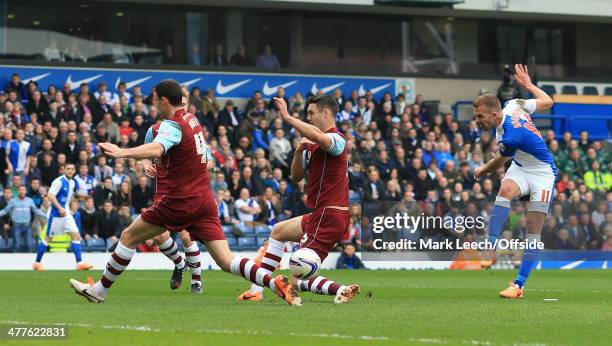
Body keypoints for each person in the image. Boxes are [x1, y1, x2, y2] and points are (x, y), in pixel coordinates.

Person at [69, 79, 297, 305]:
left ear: (164, 100)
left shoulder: (172, 124)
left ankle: (99, 291)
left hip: (180, 200)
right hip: (204, 200)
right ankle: (272, 282)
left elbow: (158, 148)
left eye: (156, 99)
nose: (154, 103)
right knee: (226, 260)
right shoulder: (193, 119)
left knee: (129, 236)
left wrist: (122, 152)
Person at [238, 94, 359, 304]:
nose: (309, 117)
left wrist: (287, 117)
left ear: (326, 113)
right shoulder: (311, 144)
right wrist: (299, 151)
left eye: (312, 113)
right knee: (278, 231)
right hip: (321, 214)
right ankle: (256, 290)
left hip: (330, 214)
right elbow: (296, 177)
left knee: (298, 272)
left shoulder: (337, 139)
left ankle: (336, 290)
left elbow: (322, 138)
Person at [473, 64, 555, 299]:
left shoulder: (511, 135)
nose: (477, 121)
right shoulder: (513, 104)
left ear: (495, 115)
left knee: (533, 227)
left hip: (543, 173)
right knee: (506, 188)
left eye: (480, 116)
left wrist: (481, 170)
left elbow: (498, 163)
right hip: (521, 166)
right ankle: (490, 249)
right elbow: (547, 102)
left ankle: (518, 285)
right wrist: (529, 87)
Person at [34, 163, 92, 271]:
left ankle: (79, 263)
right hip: (55, 214)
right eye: (68, 169)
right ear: (64, 170)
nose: (70, 171)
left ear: (75, 170)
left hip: (66, 214)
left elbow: (69, 196)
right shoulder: (58, 181)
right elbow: (50, 195)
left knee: (76, 235)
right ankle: (37, 263)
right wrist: (60, 208)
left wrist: (70, 208)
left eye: (72, 169)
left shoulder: (73, 182)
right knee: (48, 239)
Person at [0, 185, 47, 252]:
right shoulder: (13, 201)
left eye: (23, 190)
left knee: (29, 244)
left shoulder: (29, 201)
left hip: (27, 226)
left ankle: (29, 261)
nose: (22, 191)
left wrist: (47, 215)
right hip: (16, 226)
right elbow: (5, 211)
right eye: (20, 190)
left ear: (25, 191)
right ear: (18, 191)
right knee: (16, 244)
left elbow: (36, 210)